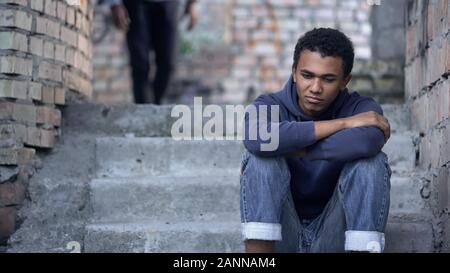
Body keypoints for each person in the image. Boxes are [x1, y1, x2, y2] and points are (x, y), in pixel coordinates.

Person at [241, 28, 392, 253]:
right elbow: (257, 138)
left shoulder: (361, 108)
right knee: (262, 158)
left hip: (335, 232)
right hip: (283, 232)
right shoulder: (269, 105)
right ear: (294, 72)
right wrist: (343, 124)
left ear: (345, 80)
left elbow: (368, 141)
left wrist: (299, 150)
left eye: (328, 79)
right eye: (307, 75)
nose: (315, 88)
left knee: (372, 163)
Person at [106, 0, 198, 104]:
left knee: (169, 63)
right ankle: (143, 110)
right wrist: (114, 3)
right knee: (140, 64)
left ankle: (154, 106)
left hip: (169, 3)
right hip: (135, 4)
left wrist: (192, 3)